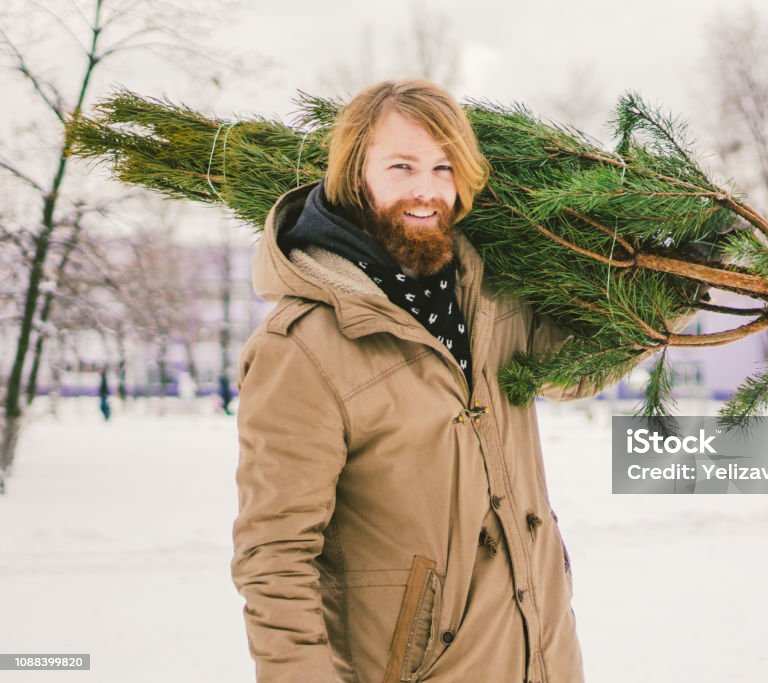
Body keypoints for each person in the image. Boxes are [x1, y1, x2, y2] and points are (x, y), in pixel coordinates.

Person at [231, 79, 690, 683]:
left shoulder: (487, 293)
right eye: (401, 166)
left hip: (539, 654)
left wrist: (682, 282)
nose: (427, 190)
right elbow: (276, 557)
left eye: (444, 167)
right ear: (352, 175)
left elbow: (574, 366)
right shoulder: (303, 347)